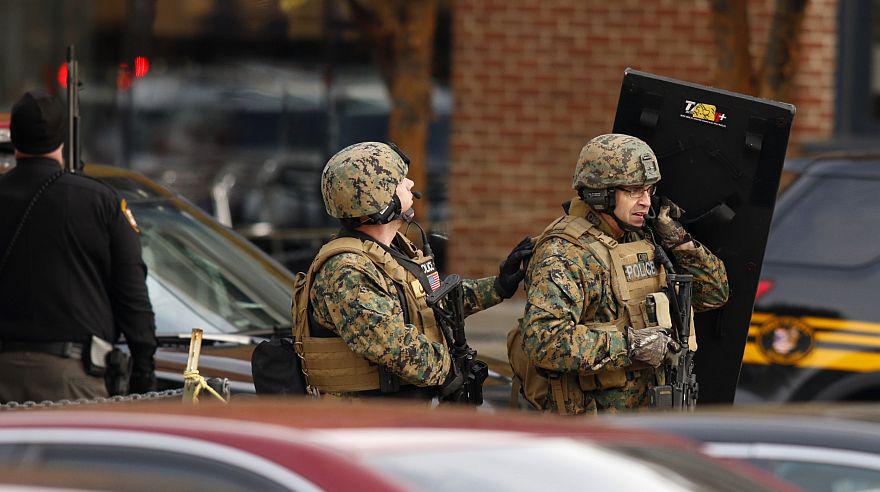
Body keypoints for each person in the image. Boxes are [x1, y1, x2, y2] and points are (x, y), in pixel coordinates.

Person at [293, 141, 532, 399]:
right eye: (400, 181)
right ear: (381, 201)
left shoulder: (394, 250)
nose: (410, 185)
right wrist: (452, 366)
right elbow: (392, 347)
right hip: (365, 426)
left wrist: (498, 287)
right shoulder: (347, 272)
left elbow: (428, 304)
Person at [515, 133, 728, 415]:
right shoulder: (565, 254)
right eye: (633, 191)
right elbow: (544, 341)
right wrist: (630, 345)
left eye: (649, 191)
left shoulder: (643, 238)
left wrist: (680, 241)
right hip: (590, 428)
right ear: (600, 193)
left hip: (644, 418)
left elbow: (713, 294)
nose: (646, 202)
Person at [0, 90, 156, 402]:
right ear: (63, 138)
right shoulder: (99, 201)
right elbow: (132, 294)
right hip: (72, 378)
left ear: (13, 139)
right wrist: (143, 368)